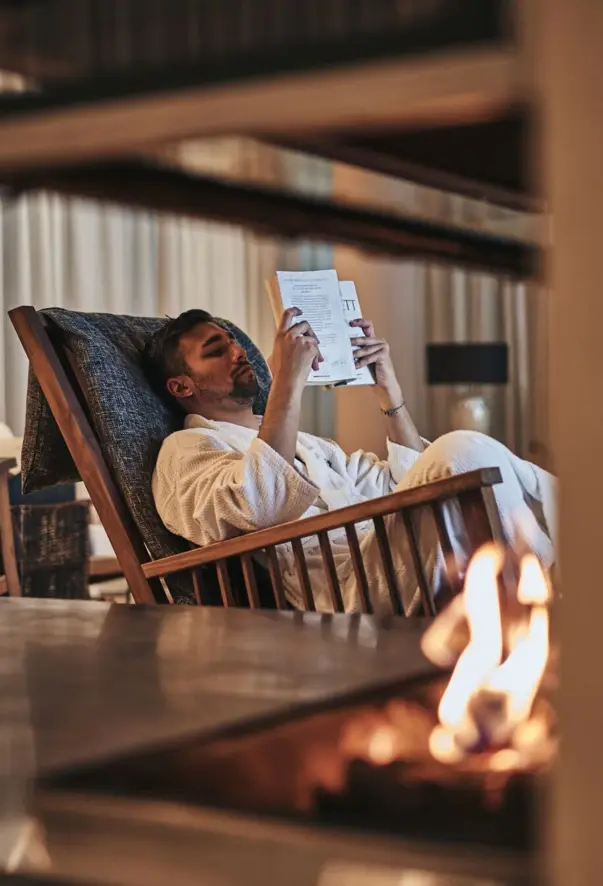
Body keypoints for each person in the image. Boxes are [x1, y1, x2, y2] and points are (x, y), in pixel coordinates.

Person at [146, 308, 557, 613]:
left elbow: (411, 480)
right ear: (181, 385)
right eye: (216, 350)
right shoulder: (186, 449)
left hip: (384, 556)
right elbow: (255, 504)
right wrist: (288, 383)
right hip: (342, 589)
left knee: (469, 456)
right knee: (462, 449)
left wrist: (389, 395)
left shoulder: (307, 444)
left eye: (235, 343)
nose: (238, 353)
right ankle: (564, 589)